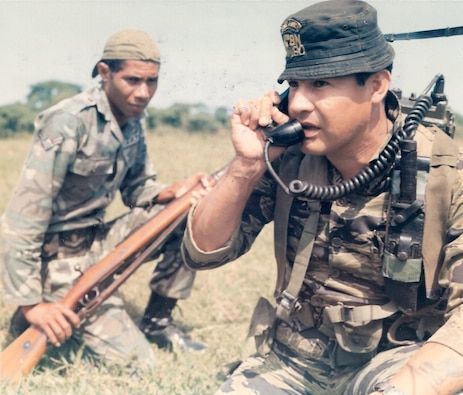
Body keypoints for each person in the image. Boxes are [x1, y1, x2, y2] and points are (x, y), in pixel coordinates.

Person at [181, 1, 463, 394]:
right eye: (294, 85)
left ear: (377, 85)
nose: (297, 103)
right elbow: (203, 252)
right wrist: (247, 165)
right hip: (293, 362)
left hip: (398, 365)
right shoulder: (289, 161)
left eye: (321, 84)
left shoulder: (446, 174)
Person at [0, 29, 205, 370]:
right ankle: (35, 316)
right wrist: (30, 304)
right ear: (105, 72)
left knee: (190, 213)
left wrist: (170, 192)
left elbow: (138, 189)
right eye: (133, 80)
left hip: (97, 241)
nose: (144, 93)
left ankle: (157, 322)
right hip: (57, 256)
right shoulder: (68, 121)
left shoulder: (134, 119)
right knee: (139, 366)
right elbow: (23, 220)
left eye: (152, 81)